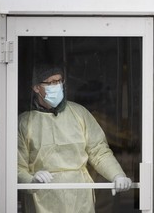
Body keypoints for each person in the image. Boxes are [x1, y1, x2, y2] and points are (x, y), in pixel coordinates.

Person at [18, 64, 132, 213]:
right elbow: (16, 166)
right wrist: (31, 181)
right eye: (51, 82)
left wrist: (116, 174)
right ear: (36, 88)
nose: (57, 86)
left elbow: (98, 151)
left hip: (79, 194)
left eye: (59, 81)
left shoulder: (78, 113)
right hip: (43, 197)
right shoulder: (25, 123)